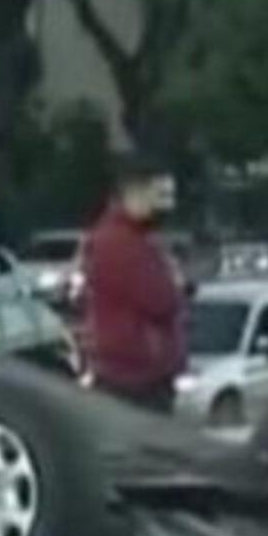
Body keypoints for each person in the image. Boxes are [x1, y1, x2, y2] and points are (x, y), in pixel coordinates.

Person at [81, 152, 186, 412]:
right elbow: (161, 300)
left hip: (138, 374)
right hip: (133, 378)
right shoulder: (121, 242)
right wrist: (173, 284)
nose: (168, 206)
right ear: (135, 192)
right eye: (160, 197)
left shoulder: (133, 239)